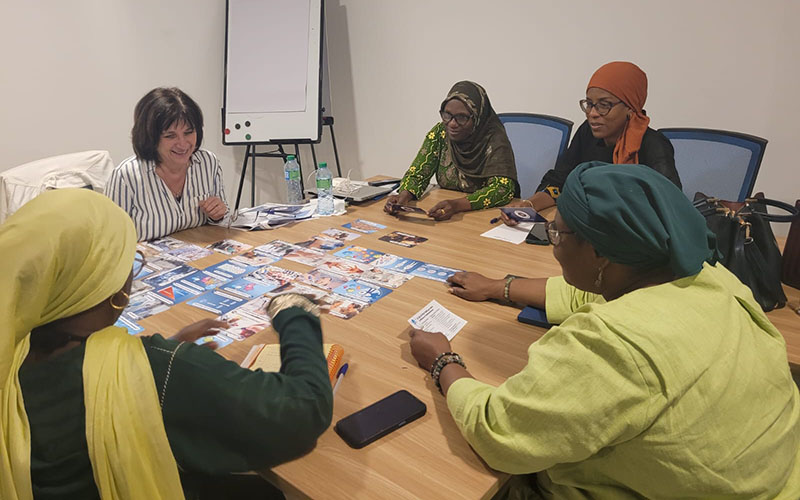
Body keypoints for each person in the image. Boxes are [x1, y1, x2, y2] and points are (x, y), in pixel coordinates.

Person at [410, 162, 800, 498]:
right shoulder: (711, 278)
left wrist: (443, 361)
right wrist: (500, 286)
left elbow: (498, 433)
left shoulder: (608, 343)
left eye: (558, 234)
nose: (553, 245)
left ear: (599, 252)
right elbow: (591, 293)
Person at [1, 189, 333, 499]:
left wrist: (167, 347)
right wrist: (294, 311)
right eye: (128, 262)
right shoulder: (156, 370)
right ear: (111, 288)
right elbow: (302, 411)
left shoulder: (12, 354)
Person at [501, 61, 679, 225]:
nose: (593, 113)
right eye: (590, 104)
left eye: (604, 105)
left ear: (630, 108)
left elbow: (670, 208)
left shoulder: (654, 145)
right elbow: (560, 181)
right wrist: (529, 205)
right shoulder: (588, 132)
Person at [107, 87, 229, 241]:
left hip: (199, 255)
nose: (183, 144)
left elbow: (220, 221)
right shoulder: (126, 176)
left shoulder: (208, 162)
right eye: (170, 136)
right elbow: (111, 240)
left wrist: (217, 214)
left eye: (189, 132)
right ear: (150, 137)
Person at [384, 81, 518, 221]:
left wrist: (456, 205)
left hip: (481, 218)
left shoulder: (494, 139)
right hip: (445, 216)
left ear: (478, 116)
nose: (452, 124)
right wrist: (404, 197)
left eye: (461, 117)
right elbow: (417, 174)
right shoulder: (440, 132)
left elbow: (502, 189)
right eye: (447, 115)